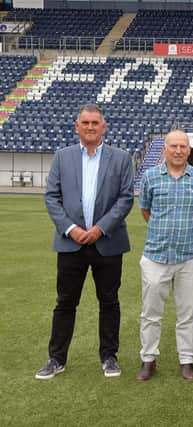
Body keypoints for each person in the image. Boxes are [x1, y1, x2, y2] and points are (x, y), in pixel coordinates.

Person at [36, 103, 134, 379]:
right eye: (85, 123)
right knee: (65, 302)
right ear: (77, 126)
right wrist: (70, 228)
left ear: (104, 127)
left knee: (109, 301)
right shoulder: (62, 157)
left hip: (108, 243)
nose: (90, 127)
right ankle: (56, 358)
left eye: (95, 123)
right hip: (71, 244)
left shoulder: (121, 158)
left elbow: (125, 198)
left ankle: (109, 356)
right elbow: (52, 197)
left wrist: (100, 228)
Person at [135, 130, 193, 382]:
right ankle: (148, 359)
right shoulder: (150, 177)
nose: (178, 150)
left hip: (189, 256)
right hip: (156, 255)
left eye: (183, 146)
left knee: (187, 312)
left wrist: (185, 230)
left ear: (189, 150)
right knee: (150, 312)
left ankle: (186, 361)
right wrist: (164, 230)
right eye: (173, 146)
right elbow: (146, 211)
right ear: (164, 149)